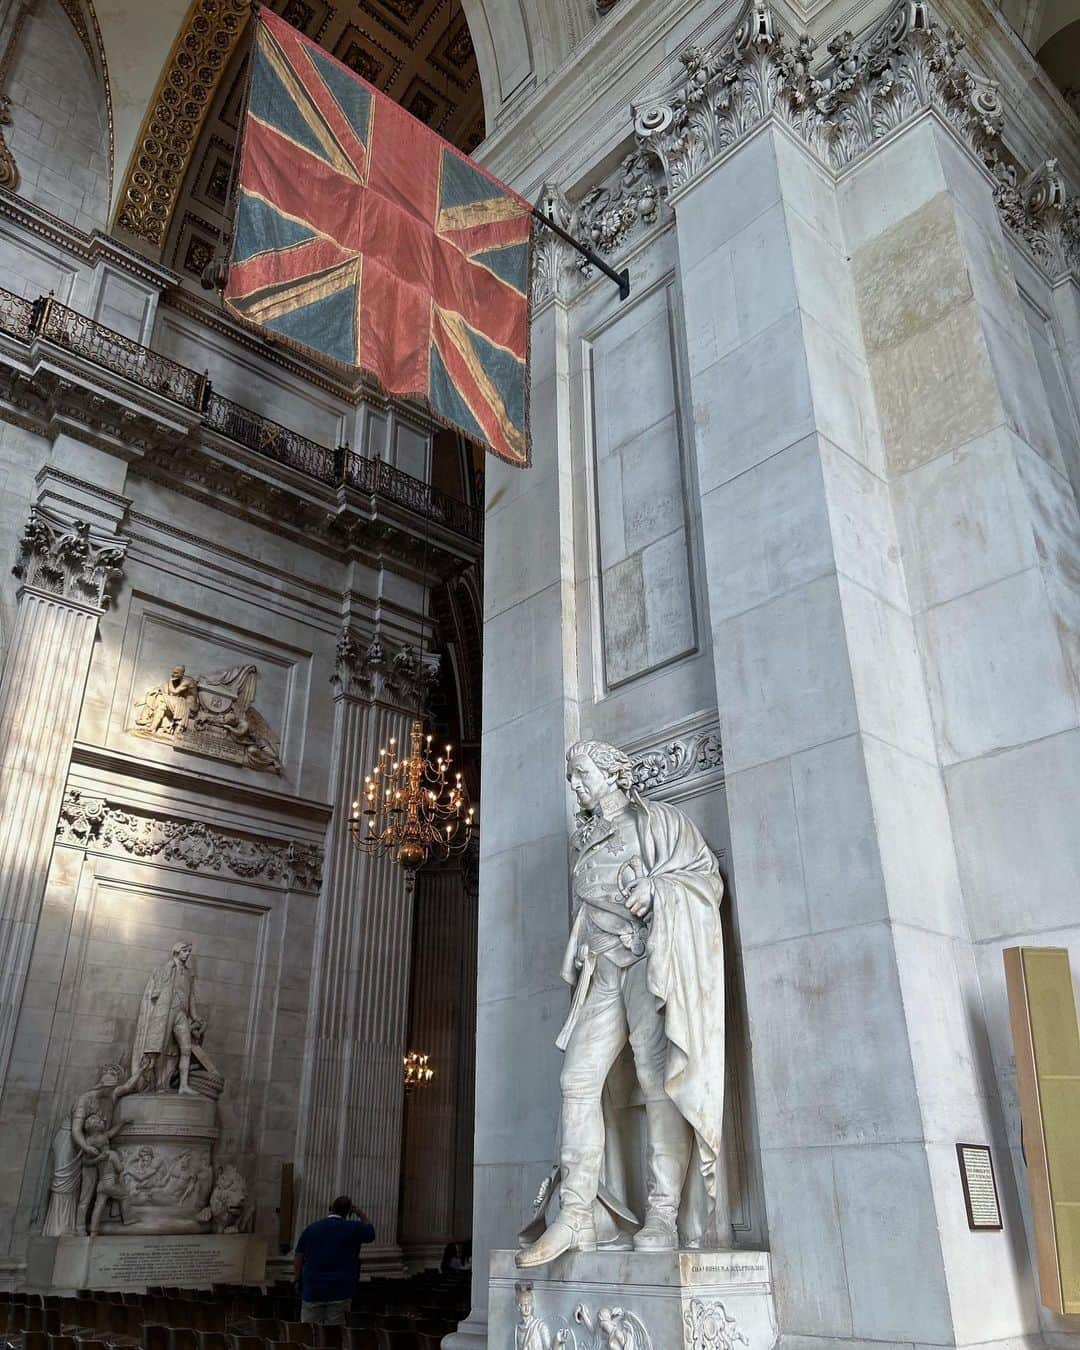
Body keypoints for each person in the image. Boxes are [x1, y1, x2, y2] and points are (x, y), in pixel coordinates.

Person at [516, 739, 727, 1268]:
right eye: (572, 776)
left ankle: (662, 1212)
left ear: (613, 772)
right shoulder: (585, 841)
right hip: (600, 972)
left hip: (646, 965)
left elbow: (705, 879)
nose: (576, 784)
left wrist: (659, 890)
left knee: (660, 1083)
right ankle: (576, 1213)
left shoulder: (658, 823)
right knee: (577, 1080)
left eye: (582, 773)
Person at [293, 1195, 376, 1324]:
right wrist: (360, 1213)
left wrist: (297, 1279)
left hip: (313, 1288)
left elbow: (298, 1255)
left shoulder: (312, 1228)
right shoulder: (353, 1228)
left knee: (309, 1332)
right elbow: (371, 1233)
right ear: (349, 1212)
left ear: (330, 1209)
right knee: (334, 1335)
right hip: (340, 1289)